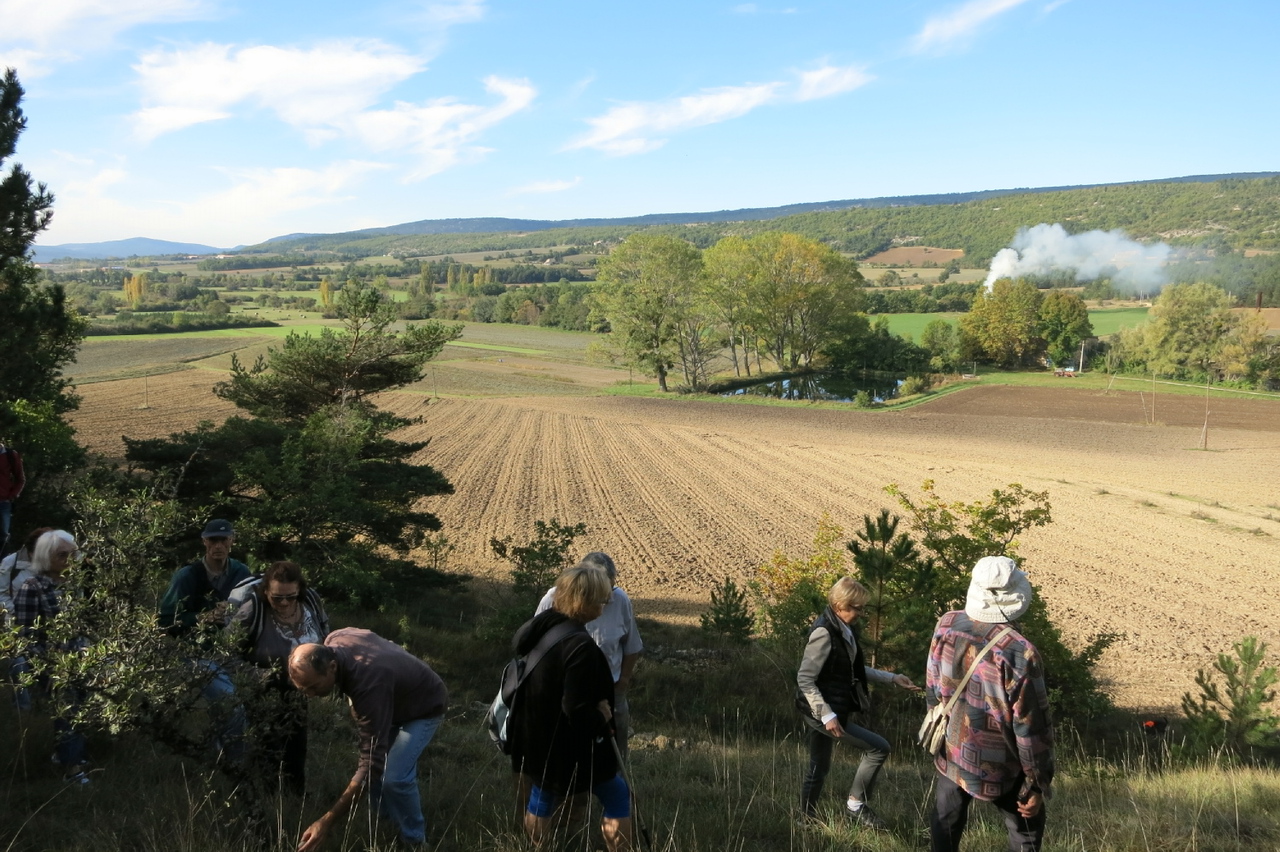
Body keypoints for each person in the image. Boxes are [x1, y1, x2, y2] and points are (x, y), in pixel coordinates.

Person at [925, 556, 1054, 852]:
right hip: (1002, 765)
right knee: (1026, 830)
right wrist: (1037, 781)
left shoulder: (947, 624)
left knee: (945, 820)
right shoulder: (1020, 652)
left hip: (953, 749)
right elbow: (1030, 727)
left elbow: (932, 686)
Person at [288, 628, 447, 851]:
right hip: (391, 701)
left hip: (425, 705)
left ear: (332, 667)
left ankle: (415, 842)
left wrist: (327, 821)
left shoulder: (368, 686)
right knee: (376, 775)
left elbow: (370, 764)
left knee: (394, 777)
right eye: (304, 689)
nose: (311, 695)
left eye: (314, 687)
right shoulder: (335, 639)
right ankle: (386, 826)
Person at [511, 563, 634, 851]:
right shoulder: (581, 648)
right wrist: (601, 716)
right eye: (601, 599)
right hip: (571, 745)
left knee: (542, 795)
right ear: (584, 601)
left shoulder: (544, 630)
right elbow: (576, 709)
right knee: (618, 796)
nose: (605, 603)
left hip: (537, 736)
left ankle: (539, 847)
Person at [796, 577, 919, 829]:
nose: (861, 613)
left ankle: (805, 819)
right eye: (857, 608)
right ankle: (856, 804)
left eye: (863, 608)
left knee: (819, 767)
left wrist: (892, 678)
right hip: (820, 711)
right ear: (840, 605)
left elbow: (853, 668)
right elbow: (805, 679)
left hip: (828, 708)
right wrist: (827, 715)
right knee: (879, 748)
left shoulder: (843, 628)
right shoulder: (824, 633)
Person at [227, 560, 330, 795]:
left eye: (290, 597)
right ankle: (267, 798)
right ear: (266, 592)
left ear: (299, 591)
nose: (284, 603)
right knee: (268, 747)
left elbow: (326, 635)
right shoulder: (252, 610)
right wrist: (259, 675)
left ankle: (295, 797)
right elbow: (225, 654)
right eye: (277, 598)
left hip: (301, 689)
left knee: (297, 744)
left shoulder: (311, 602)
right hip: (263, 689)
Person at [535, 551, 643, 757]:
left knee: (613, 755)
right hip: (564, 694)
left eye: (611, 588)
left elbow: (632, 646)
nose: (608, 598)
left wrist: (623, 682)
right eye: (602, 592)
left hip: (610, 693)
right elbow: (535, 645)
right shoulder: (553, 599)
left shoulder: (620, 600)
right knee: (567, 752)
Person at [12, 530, 90, 783]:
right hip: (52, 664)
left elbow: (81, 626)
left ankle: (68, 755)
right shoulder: (32, 587)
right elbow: (25, 635)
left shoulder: (74, 585)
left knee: (83, 708)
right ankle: (72, 770)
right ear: (46, 557)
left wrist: (87, 651)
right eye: (62, 555)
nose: (70, 559)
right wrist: (50, 664)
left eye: (73, 554)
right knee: (67, 711)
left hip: (80, 659)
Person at [159, 519, 251, 635]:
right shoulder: (187, 576)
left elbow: (252, 611)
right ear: (204, 541)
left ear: (232, 540)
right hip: (196, 643)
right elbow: (165, 621)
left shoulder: (241, 572)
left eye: (223, 539)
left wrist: (233, 610)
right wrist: (203, 617)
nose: (218, 546)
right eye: (213, 540)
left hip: (234, 641)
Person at [1, 525, 52, 623]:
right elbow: (1, 594)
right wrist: (17, 611)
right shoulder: (10, 562)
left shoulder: (59, 561)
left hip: (51, 621)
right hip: (17, 620)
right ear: (31, 552)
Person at [0, 440, 25, 552]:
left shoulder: (10, 455)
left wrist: (12, 495)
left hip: (3, 503)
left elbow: (20, 479)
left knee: (3, 536)